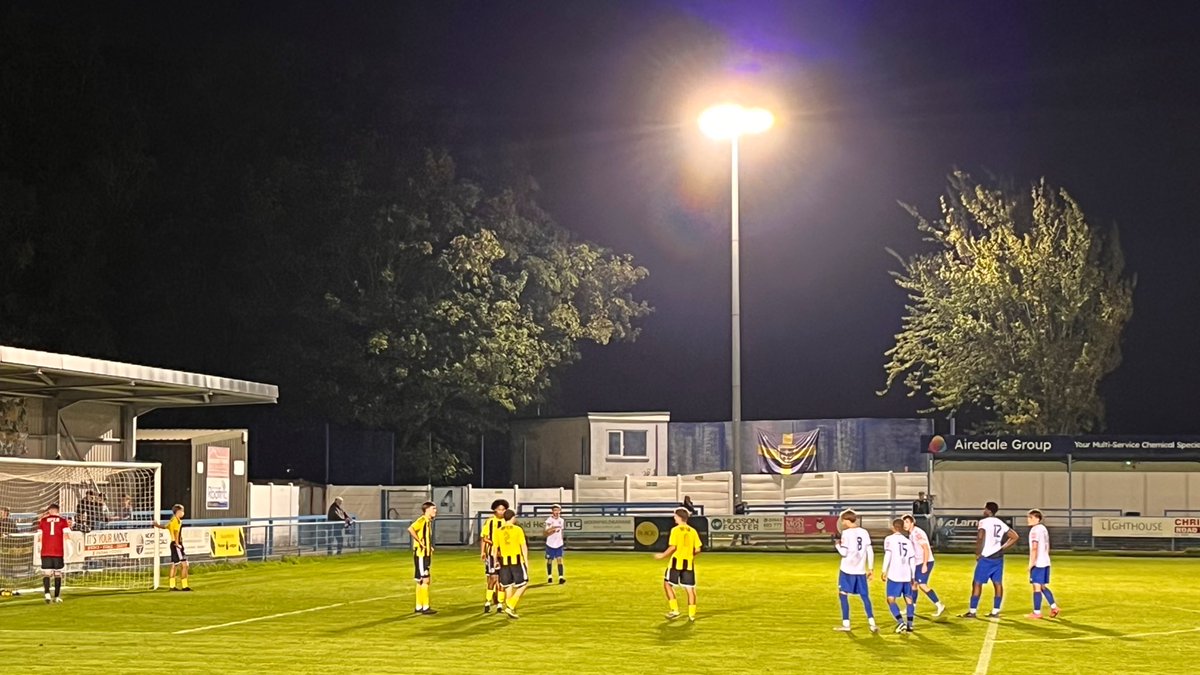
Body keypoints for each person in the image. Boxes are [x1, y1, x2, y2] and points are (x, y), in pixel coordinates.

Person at [961, 501, 1018, 619]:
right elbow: (1014, 536)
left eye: (985, 509)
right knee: (997, 583)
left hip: (986, 556)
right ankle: (995, 611)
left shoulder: (983, 522)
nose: (983, 511)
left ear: (988, 510)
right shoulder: (999, 522)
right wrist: (1002, 548)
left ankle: (972, 611)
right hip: (998, 556)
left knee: (977, 583)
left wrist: (978, 553)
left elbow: (980, 537)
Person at [833, 509, 877, 633]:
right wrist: (871, 568)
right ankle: (872, 623)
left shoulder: (846, 533)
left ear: (847, 520)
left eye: (843, 520)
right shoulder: (864, 532)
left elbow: (844, 553)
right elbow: (870, 551)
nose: (842, 522)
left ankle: (846, 624)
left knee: (843, 595)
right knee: (865, 597)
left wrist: (837, 544)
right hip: (860, 570)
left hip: (847, 570)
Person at [655, 507, 701, 622]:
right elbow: (698, 549)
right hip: (688, 563)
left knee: (667, 584)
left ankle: (675, 610)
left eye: (675, 516)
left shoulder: (675, 530)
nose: (673, 517)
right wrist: (689, 555)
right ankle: (691, 615)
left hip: (676, 563)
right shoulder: (693, 531)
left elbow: (673, 547)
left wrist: (662, 555)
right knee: (690, 589)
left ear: (679, 517)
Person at [902, 514, 945, 617]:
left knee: (922, 585)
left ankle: (939, 605)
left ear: (912, 523)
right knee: (914, 584)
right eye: (904, 522)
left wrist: (925, 564)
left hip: (925, 561)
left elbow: (925, 548)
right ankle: (912, 606)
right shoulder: (912, 533)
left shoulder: (917, 533)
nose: (905, 524)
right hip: (918, 562)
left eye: (907, 522)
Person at [882, 518, 916, 633]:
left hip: (894, 574)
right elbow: (912, 560)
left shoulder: (889, 539)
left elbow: (888, 555)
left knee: (891, 599)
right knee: (909, 599)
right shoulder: (908, 541)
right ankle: (910, 625)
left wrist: (884, 570)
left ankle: (901, 622)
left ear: (893, 527)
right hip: (906, 575)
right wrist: (913, 575)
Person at [493, 509, 530, 619]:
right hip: (516, 561)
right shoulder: (517, 529)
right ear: (513, 517)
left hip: (504, 561)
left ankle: (510, 609)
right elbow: (523, 546)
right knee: (524, 584)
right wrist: (526, 560)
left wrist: (495, 561)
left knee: (508, 586)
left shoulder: (498, 531)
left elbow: (495, 548)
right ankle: (511, 605)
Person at [1025, 509, 1060, 619]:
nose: (1028, 520)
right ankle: (1054, 607)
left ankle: (1037, 612)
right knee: (1043, 586)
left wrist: (1032, 563)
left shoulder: (1035, 530)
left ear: (1036, 518)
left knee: (1036, 587)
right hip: (1045, 561)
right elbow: (1048, 545)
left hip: (1038, 563)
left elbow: (1034, 547)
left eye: (1030, 517)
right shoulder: (1043, 529)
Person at [35, 503, 71, 603]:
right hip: (58, 551)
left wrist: (39, 547)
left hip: (46, 551)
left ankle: (47, 594)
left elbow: (39, 536)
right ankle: (57, 596)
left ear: (49, 511)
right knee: (58, 573)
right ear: (58, 511)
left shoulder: (43, 520)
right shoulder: (63, 521)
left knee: (46, 573)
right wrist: (70, 547)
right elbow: (66, 535)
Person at [407, 501, 437, 614]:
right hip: (421, 554)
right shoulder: (422, 520)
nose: (435, 511)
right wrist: (419, 542)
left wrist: (430, 547)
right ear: (427, 510)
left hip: (425, 554)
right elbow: (411, 529)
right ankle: (425, 607)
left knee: (421, 580)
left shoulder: (428, 522)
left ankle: (419, 606)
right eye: (433, 508)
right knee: (425, 580)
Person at [480, 499, 509, 614]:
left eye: (503, 509)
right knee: (492, 578)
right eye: (499, 509)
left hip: (505, 554)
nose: (501, 512)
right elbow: (484, 537)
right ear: (494, 510)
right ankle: (488, 601)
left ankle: (500, 604)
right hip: (492, 554)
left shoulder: (508, 522)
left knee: (502, 579)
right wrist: (483, 551)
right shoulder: (490, 521)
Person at [154, 504, 191, 591]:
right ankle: (184, 586)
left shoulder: (172, 520)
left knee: (174, 565)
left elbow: (165, 527)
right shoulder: (176, 521)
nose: (183, 513)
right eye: (182, 511)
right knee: (185, 565)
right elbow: (176, 532)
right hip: (176, 544)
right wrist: (178, 543)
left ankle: (172, 586)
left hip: (174, 544)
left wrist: (157, 525)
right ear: (178, 512)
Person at [544, 504, 566, 585]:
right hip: (550, 544)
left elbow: (561, 531)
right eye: (555, 510)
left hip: (559, 544)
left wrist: (561, 539)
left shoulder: (562, 520)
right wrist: (553, 529)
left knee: (559, 560)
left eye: (558, 510)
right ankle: (550, 576)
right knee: (550, 560)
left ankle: (561, 577)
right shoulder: (549, 520)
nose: (556, 512)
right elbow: (546, 532)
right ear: (552, 511)